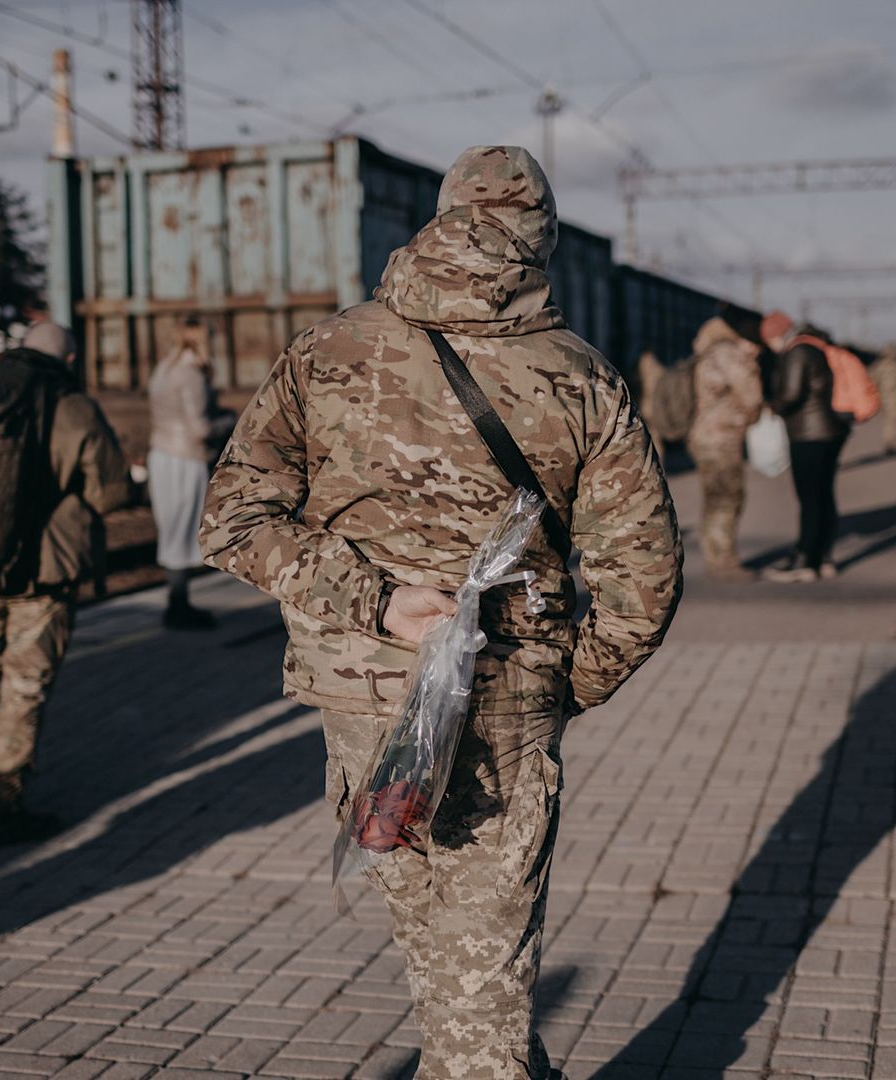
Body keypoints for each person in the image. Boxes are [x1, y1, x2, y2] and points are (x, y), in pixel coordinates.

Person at [201, 146, 683, 1080]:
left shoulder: (328, 349)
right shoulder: (582, 377)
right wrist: (563, 684)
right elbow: (643, 577)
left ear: (438, 218)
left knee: (454, 963)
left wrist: (374, 606)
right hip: (507, 701)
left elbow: (232, 518)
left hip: (360, 698)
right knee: (476, 975)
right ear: (540, 238)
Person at [0, 321, 131, 845]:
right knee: (23, 687)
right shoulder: (73, 407)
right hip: (44, 574)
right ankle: (2, 807)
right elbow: (111, 493)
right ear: (67, 360)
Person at [147, 317, 233, 629]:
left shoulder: (164, 368)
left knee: (171, 529)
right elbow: (200, 428)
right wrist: (229, 421)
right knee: (182, 533)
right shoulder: (191, 374)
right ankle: (178, 604)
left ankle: (177, 600)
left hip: (161, 454)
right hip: (184, 458)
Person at [762, 312, 848, 583]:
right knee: (824, 495)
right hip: (830, 431)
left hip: (808, 434)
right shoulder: (816, 346)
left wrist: (770, 408)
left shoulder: (797, 351)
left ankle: (805, 561)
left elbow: (791, 394)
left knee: (809, 498)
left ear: (776, 335)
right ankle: (824, 558)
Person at [684, 315, 763, 580]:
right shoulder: (729, 354)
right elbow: (751, 396)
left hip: (702, 436)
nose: (757, 350)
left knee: (714, 498)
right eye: (754, 344)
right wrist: (753, 417)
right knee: (727, 498)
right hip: (722, 438)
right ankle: (724, 564)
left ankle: (714, 556)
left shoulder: (706, 353)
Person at [870, 345, 896, 453]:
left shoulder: (879, 366)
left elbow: (872, 380)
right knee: (892, 421)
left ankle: (888, 441)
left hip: (882, 397)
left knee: (886, 421)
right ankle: (889, 442)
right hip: (895, 398)